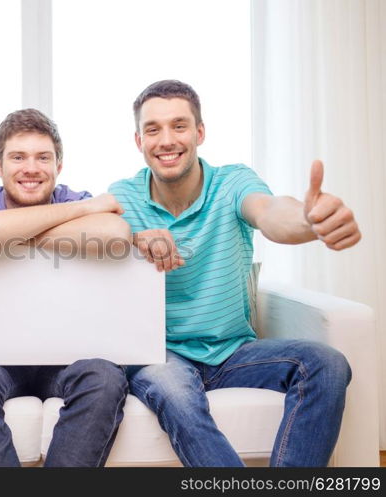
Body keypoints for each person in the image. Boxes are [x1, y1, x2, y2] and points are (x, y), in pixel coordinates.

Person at [108, 80, 359, 467]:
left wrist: (308, 221)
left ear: (199, 132)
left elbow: (272, 213)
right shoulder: (123, 197)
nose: (166, 140)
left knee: (327, 363)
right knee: (174, 393)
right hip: (162, 355)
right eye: (153, 129)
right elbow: (95, 239)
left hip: (232, 353)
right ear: (139, 141)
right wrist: (135, 237)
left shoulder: (232, 183)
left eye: (179, 125)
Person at [0, 108, 130, 467]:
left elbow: (116, 234)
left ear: (59, 165)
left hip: (67, 356)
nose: (31, 168)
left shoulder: (74, 196)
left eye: (43, 157)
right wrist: (84, 212)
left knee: (106, 376)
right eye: (18, 157)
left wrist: (12, 232)